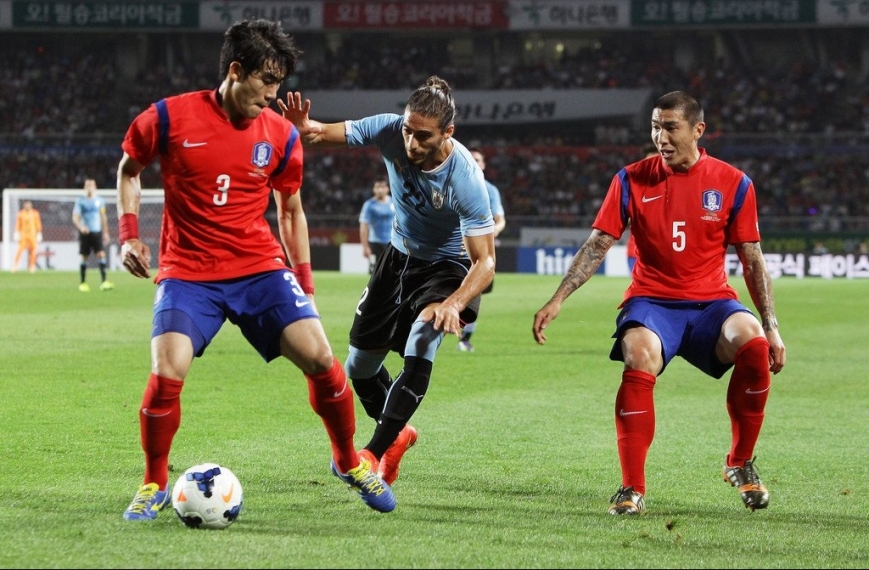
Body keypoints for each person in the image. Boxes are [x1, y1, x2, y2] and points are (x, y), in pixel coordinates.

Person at [116, 18, 395, 521]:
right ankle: (154, 480)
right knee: (166, 370)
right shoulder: (167, 118)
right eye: (266, 81)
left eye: (279, 84)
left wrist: (304, 285)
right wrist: (129, 232)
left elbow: (291, 210)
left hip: (258, 268)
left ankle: (348, 461)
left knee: (323, 361)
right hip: (188, 272)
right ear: (235, 70)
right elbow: (129, 169)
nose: (273, 94)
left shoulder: (281, 136)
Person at [532, 91, 786, 516]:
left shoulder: (733, 183)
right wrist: (558, 298)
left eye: (670, 127)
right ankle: (632, 488)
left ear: (697, 130)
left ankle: (739, 462)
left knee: (755, 346)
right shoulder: (631, 179)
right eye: (655, 127)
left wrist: (772, 323)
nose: (660, 137)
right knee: (638, 354)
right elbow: (599, 243)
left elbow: (752, 259)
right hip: (652, 302)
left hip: (713, 304)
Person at [279, 76, 496, 488]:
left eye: (423, 136)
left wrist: (452, 303)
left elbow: (485, 262)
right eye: (408, 131)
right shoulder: (389, 128)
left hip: (447, 267)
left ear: (448, 133)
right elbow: (320, 134)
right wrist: (303, 127)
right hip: (396, 259)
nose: (411, 143)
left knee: (421, 338)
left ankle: (372, 451)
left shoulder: (465, 178)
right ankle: (399, 436)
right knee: (358, 367)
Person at [457, 148, 506, 352]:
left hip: (480, 252)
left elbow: (500, 220)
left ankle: (465, 338)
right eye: (471, 159)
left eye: (478, 159)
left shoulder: (490, 190)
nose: (475, 162)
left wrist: (489, 234)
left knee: (475, 297)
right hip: (453, 251)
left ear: (483, 164)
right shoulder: (454, 184)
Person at [72, 178, 114, 291]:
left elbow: (103, 216)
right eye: (88, 185)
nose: (90, 187)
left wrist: (105, 232)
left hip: (97, 232)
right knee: (84, 257)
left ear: (95, 187)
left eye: (92, 185)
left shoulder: (100, 200)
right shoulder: (80, 201)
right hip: (85, 233)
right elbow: (75, 217)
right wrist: (81, 227)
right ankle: (83, 283)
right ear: (85, 187)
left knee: (101, 254)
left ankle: (104, 282)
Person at [625, 143, 660, 273]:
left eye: (657, 161)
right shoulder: (633, 189)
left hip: (666, 255)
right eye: (648, 162)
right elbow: (621, 220)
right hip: (637, 254)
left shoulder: (676, 188)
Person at [358, 177, 395, 274]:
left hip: (392, 243)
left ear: (388, 188)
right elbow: (363, 226)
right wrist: (365, 246)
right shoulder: (369, 205)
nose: (380, 190)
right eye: (377, 187)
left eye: (382, 187)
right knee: (375, 271)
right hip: (375, 243)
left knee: (391, 271)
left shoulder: (394, 202)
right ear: (374, 189)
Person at [12, 200, 43, 273]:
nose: (27, 206)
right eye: (26, 204)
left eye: (29, 204)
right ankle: (15, 266)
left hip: (32, 235)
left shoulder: (35, 213)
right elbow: (18, 224)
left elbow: (38, 223)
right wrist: (16, 232)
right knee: (19, 250)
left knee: (33, 251)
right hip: (23, 235)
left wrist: (39, 232)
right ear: (24, 205)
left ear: (31, 205)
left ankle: (32, 266)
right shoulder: (20, 214)